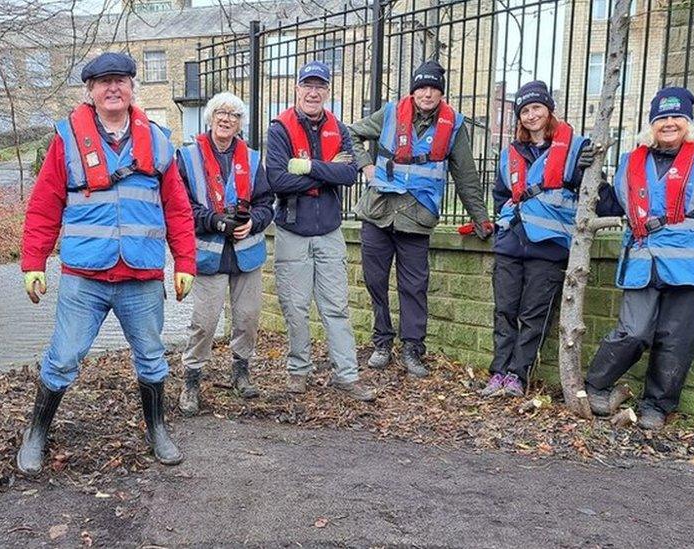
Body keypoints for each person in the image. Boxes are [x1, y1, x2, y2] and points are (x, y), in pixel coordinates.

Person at [17, 52, 197, 471]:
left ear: (133, 87)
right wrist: (33, 263)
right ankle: (36, 433)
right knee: (62, 358)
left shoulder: (157, 140)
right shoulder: (66, 139)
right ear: (90, 92)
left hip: (142, 276)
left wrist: (185, 262)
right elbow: (44, 206)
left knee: (152, 357)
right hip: (85, 278)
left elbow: (178, 208)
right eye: (104, 82)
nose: (113, 88)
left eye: (120, 80)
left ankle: (158, 430)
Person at [585, 86, 694, 430]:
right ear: (651, 125)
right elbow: (613, 206)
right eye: (661, 118)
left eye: (676, 117)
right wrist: (591, 177)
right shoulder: (631, 161)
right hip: (642, 262)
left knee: (676, 339)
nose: (669, 123)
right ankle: (595, 383)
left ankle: (657, 405)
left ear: (688, 123)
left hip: (690, 268)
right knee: (634, 331)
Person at [348, 60, 492, 376]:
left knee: (414, 286)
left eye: (434, 89)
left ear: (441, 93)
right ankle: (382, 342)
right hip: (378, 213)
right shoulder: (388, 114)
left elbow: (466, 176)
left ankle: (413, 349)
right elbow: (351, 134)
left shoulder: (453, 126)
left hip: (417, 217)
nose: (427, 94)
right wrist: (365, 166)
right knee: (375, 281)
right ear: (413, 91)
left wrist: (480, 219)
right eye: (422, 87)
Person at [479, 81, 599, 398]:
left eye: (537, 108)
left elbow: (594, 195)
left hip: (548, 247)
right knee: (504, 311)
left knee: (533, 316)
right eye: (525, 110)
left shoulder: (574, 149)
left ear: (549, 110)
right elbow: (500, 195)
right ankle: (499, 373)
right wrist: (502, 225)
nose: (531, 115)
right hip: (510, 243)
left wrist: (589, 169)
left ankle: (518, 376)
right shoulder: (510, 153)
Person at [266, 60, 375, 402]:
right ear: (297, 88)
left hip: (329, 230)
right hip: (292, 230)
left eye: (320, 86)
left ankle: (347, 375)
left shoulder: (339, 128)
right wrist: (328, 172)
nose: (313, 92)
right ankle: (299, 370)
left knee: (336, 307)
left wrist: (310, 167)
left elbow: (349, 174)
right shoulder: (279, 129)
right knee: (295, 306)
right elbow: (277, 180)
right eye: (307, 85)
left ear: (327, 91)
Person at [176, 92, 275, 415]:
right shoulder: (187, 157)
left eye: (234, 114)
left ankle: (241, 372)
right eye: (221, 112)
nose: (226, 118)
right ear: (210, 116)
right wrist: (215, 222)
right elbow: (181, 208)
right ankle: (191, 380)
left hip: (246, 253)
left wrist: (255, 223)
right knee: (204, 322)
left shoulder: (254, 158)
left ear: (240, 123)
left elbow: (266, 204)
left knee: (247, 319)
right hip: (208, 255)